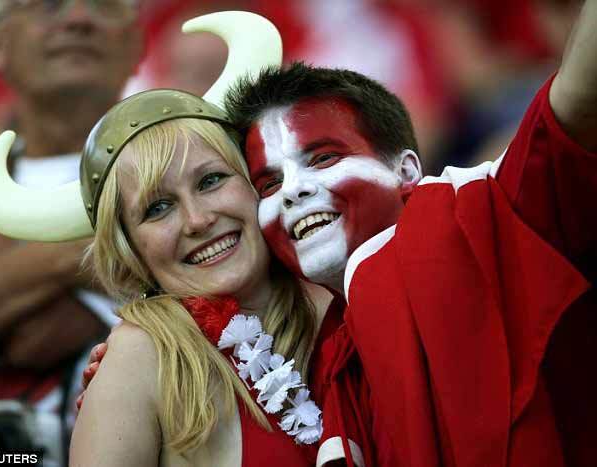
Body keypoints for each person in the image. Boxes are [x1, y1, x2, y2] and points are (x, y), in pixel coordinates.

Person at [220, 2, 596, 466]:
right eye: (270, 184)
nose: (294, 191)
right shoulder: (324, 362)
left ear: (407, 171)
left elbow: (580, 95)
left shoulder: (491, 214)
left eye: (323, 158)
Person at [0, 11, 336, 467]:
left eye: (211, 181)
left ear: (255, 183)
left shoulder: (345, 300)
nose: (198, 220)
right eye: (157, 208)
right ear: (131, 249)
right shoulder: (139, 359)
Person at [0, 0, 143, 462]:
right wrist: (68, 260)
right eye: (48, 5)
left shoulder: (195, 163)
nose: (79, 19)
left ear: (136, 43)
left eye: (105, 5)